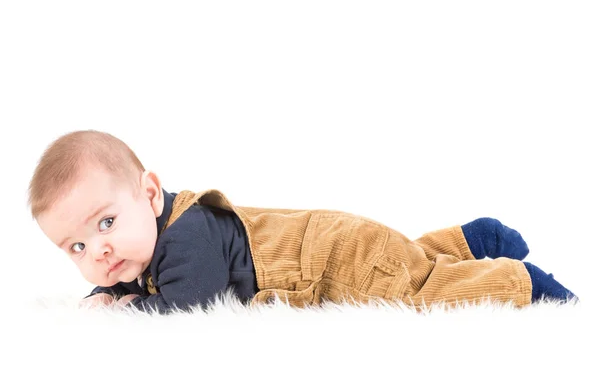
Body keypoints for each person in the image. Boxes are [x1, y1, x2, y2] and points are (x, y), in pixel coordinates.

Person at [28, 130, 578, 314]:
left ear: (150, 194)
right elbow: (135, 279)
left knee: (413, 291)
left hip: (335, 259)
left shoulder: (185, 237)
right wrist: (106, 294)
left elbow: (185, 302)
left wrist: (125, 310)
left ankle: (520, 284)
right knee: (401, 258)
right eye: (73, 247)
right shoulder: (148, 241)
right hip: (337, 243)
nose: (96, 251)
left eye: (104, 224)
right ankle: (467, 240)